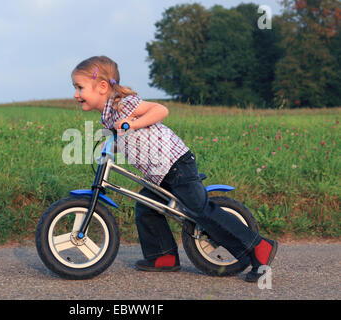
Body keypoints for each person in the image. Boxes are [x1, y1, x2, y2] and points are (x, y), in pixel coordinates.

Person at [71, 55, 277, 282]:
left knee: (199, 210)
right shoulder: (108, 115)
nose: (75, 94)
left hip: (177, 164)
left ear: (101, 87)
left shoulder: (124, 103)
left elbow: (160, 110)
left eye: (79, 87)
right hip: (159, 173)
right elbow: (124, 139)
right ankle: (163, 257)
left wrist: (133, 123)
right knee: (147, 207)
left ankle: (259, 247)